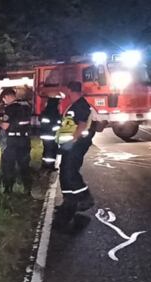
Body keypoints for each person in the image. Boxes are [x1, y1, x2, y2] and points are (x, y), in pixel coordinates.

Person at [53, 81, 96, 228]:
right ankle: (69, 201)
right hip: (69, 144)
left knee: (70, 171)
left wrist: (73, 140)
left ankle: (85, 198)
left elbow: (82, 125)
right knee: (64, 172)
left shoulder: (81, 105)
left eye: (66, 90)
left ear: (70, 90)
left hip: (76, 144)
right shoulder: (74, 105)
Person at [0, 88, 32, 194]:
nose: (4, 102)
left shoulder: (9, 108)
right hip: (25, 139)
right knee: (24, 165)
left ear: (7, 97)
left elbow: (5, 126)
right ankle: (27, 188)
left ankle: (8, 189)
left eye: (4, 100)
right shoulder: (26, 106)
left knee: (8, 165)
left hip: (12, 141)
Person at [39, 95, 62, 170]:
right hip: (52, 135)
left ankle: (45, 165)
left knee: (46, 150)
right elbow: (57, 125)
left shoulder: (45, 112)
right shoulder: (55, 114)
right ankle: (49, 167)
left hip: (44, 135)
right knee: (51, 152)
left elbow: (41, 121)